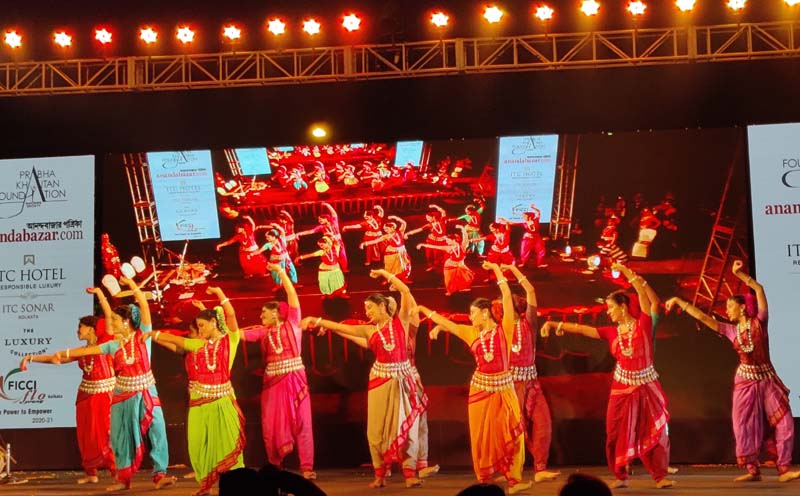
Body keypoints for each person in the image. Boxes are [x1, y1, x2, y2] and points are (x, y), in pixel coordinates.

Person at [539, 263, 674, 489]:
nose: (608, 312)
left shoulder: (643, 324)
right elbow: (582, 330)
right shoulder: (610, 332)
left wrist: (627, 272)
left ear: (623, 307)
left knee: (652, 431)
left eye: (611, 307)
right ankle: (620, 476)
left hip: (646, 386)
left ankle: (660, 476)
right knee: (613, 432)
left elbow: (645, 298)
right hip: (621, 387)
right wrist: (555, 323)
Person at [664, 260, 800, 483]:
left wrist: (739, 274)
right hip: (745, 382)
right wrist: (680, 301)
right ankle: (753, 470)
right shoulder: (730, 330)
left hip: (767, 379)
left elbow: (759, 290)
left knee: (785, 422)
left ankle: (784, 469)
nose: (726, 310)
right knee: (743, 426)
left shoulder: (760, 322)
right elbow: (703, 318)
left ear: (743, 307)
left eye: (730, 306)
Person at [416, 262, 532, 494]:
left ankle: (514, 480)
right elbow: (448, 324)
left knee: (513, 434)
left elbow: (506, 296)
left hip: (504, 388)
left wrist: (496, 269)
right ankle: (484, 480)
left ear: (485, 313)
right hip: (480, 390)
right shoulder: (471, 333)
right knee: (481, 437)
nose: (470, 317)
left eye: (473, 313)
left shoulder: (505, 329)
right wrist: (422, 309)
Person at [301, 275, 426, 489]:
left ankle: (409, 474)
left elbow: (405, 291)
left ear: (382, 307)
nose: (366, 312)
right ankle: (380, 474)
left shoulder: (401, 323)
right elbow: (345, 330)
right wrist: (318, 321)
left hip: (402, 381)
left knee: (406, 427)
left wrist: (385, 274)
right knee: (376, 429)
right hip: (379, 381)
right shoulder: (370, 331)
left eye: (369, 308)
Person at [54, 277, 176, 491]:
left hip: (147, 389)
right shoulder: (112, 345)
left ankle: (160, 474)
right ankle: (123, 479)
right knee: (120, 436)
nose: (113, 323)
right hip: (122, 394)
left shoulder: (143, 336)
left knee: (157, 429)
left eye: (116, 320)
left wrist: (131, 284)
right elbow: (87, 351)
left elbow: (143, 305)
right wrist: (61, 354)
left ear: (127, 322)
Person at [145, 287, 245, 496]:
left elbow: (231, 315)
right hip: (198, 403)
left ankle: (238, 486)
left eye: (202, 326)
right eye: (197, 326)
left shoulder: (230, 340)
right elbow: (178, 341)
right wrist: (153, 334)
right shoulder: (198, 345)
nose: (199, 330)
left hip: (222, 402)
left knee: (228, 443)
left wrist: (219, 293)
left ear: (214, 323)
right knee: (198, 444)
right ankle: (205, 486)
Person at [21, 297, 116, 484]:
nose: (77, 330)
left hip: (104, 395)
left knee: (104, 433)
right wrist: (30, 357)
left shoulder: (105, 342)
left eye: (80, 327)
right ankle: (91, 473)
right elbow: (56, 359)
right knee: (85, 435)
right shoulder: (81, 351)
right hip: (85, 395)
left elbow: (108, 316)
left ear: (91, 329)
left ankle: (116, 471)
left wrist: (100, 293)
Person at [243, 264, 316, 479]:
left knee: (302, 422)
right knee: (271, 424)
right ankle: (275, 466)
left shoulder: (292, 323)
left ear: (276, 312)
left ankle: (307, 468)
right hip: (272, 383)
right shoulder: (262, 332)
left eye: (264, 312)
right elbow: (237, 335)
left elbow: (292, 296)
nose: (261, 316)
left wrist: (281, 272)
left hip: (295, 379)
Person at [500, 264, 559, 483]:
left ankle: (540, 468)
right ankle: (510, 472)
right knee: (514, 429)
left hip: (532, 383)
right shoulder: (502, 328)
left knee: (543, 423)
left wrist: (512, 269)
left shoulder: (529, 323)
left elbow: (531, 290)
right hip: (511, 385)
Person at [416, 225, 474, 296]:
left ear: (453, 240)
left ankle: (462, 288)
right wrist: (423, 245)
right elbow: (435, 247)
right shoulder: (448, 248)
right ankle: (450, 291)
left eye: (448, 240)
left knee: (462, 277)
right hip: (449, 265)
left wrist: (462, 228)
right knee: (449, 279)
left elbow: (465, 238)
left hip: (460, 265)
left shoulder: (462, 246)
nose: (446, 241)